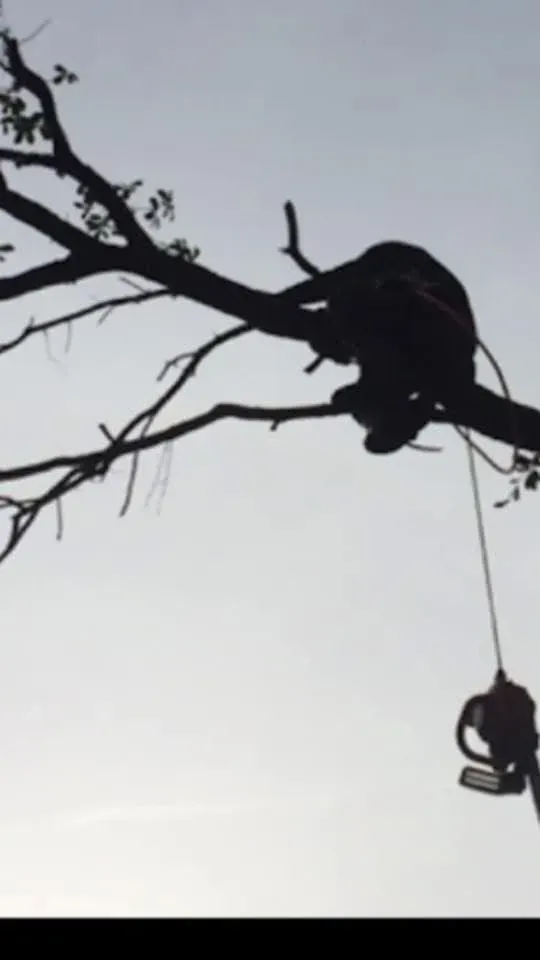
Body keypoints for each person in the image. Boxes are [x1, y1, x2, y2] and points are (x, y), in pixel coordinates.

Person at [283, 240, 479, 453]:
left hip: (430, 336)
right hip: (426, 350)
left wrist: (281, 302)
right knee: (346, 317)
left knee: (345, 302)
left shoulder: (403, 277)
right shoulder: (390, 340)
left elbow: (333, 286)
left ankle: (392, 413)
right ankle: (390, 414)